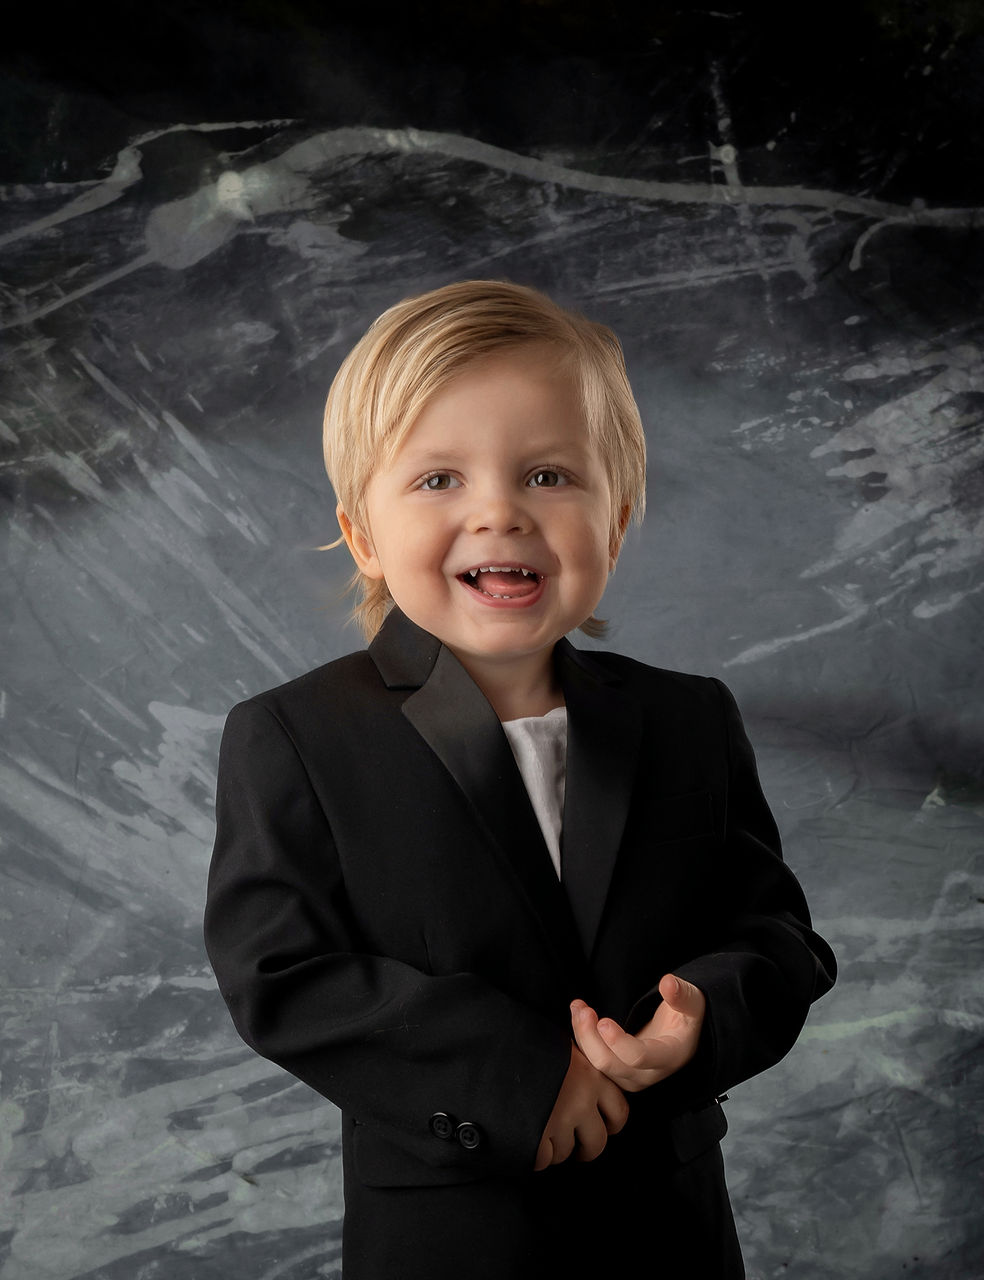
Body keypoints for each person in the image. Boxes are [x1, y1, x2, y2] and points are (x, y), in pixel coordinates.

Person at [205, 280, 836, 1279]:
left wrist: (695, 1021)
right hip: (450, 1238)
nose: (497, 510)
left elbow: (776, 936)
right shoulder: (294, 734)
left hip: (665, 1232)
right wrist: (525, 1073)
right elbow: (283, 976)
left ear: (617, 519)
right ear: (363, 533)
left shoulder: (686, 720)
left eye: (547, 474)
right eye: (437, 479)